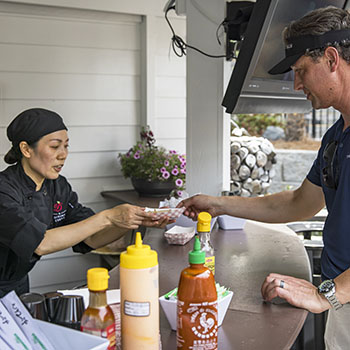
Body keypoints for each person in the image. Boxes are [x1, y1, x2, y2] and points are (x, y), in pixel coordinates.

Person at [179, 6, 350, 349]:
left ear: (331, 59)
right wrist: (218, 204)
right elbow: (300, 202)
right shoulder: (336, 135)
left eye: (301, 70)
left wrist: (326, 294)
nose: (297, 84)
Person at [0, 108, 168, 297]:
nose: (63, 154)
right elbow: (40, 243)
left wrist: (131, 221)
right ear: (26, 149)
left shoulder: (58, 187)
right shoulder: (4, 190)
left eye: (66, 146)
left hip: (18, 284)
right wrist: (108, 216)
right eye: (55, 147)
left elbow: (91, 238)